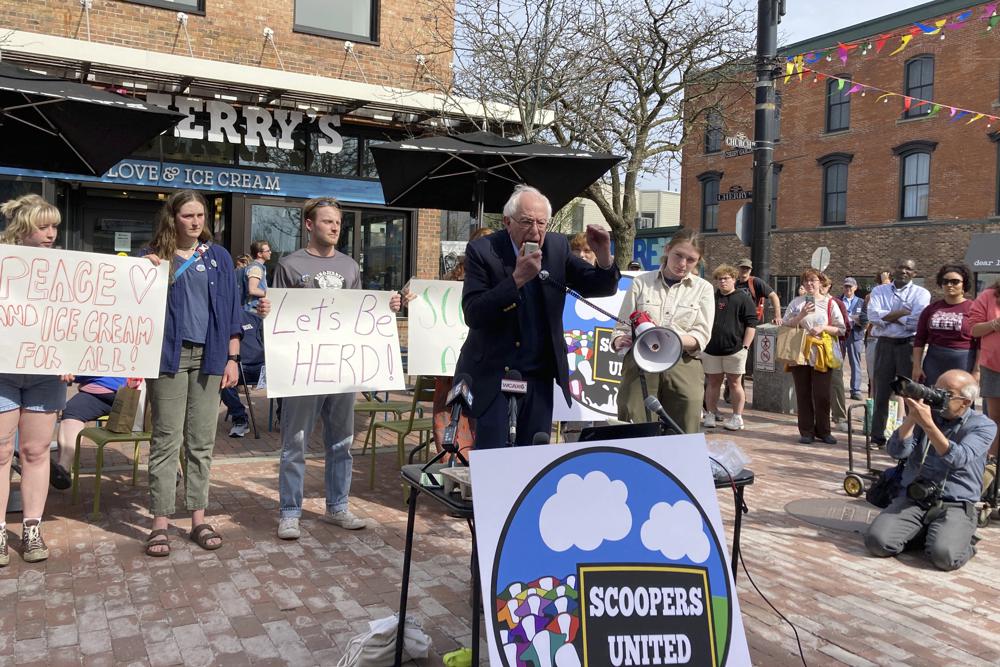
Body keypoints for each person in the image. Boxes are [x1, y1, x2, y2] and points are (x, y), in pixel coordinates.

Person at [273, 197, 405, 539]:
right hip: (302, 370)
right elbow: (278, 317)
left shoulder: (350, 266)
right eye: (327, 221)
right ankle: (290, 512)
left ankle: (337, 507)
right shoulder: (289, 266)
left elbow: (360, 313)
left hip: (342, 369)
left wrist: (386, 307)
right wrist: (264, 311)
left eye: (337, 223)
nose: (334, 228)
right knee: (295, 442)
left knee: (341, 441)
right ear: (309, 224)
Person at [454, 185, 618, 449]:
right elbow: (474, 313)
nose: (535, 231)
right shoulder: (483, 251)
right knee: (494, 455)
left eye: (542, 222)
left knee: (534, 453)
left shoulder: (557, 246)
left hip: (539, 375)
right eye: (527, 222)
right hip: (495, 372)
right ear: (508, 221)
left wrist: (604, 257)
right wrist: (516, 279)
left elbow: (599, 286)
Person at [140, 190, 244, 557]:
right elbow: (132, 304)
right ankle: (159, 522)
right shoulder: (153, 257)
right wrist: (145, 273)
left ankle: (198, 517)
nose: (196, 222)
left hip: (211, 356)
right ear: (173, 218)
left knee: (201, 441)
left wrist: (233, 357)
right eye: (188, 216)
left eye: (201, 215)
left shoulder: (218, 257)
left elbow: (233, 310)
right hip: (168, 356)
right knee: (166, 440)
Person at [865, 370, 995, 571]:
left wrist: (928, 424)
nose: (937, 397)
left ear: (966, 402)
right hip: (915, 497)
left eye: (947, 394)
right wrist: (912, 418)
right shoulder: (928, 415)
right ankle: (928, 533)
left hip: (956, 504)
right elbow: (897, 451)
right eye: (936, 390)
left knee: (944, 558)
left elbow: (958, 458)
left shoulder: (983, 426)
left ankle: (963, 541)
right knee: (877, 543)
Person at [0, 194, 69, 565]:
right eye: (43, 226)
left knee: (36, 452)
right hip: (2, 372)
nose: (51, 233)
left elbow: (79, 319)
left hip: (47, 373)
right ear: (23, 228)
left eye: (54, 226)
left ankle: (31, 529)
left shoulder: (67, 267)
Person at [613, 228, 714, 434]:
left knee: (686, 418)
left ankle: (680, 464)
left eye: (691, 260)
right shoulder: (641, 282)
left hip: (683, 361)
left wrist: (670, 339)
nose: (683, 264)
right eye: (678, 255)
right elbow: (622, 325)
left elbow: (702, 335)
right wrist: (619, 340)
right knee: (633, 417)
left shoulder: (703, 289)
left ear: (699, 261)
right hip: (641, 361)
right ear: (667, 250)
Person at [431, 227, 495, 457]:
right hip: (449, 368)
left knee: (480, 415)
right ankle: (450, 463)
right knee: (450, 412)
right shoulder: (451, 281)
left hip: (485, 364)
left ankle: (474, 464)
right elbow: (428, 304)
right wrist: (412, 299)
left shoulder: (502, 281)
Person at [867, 259, 931, 446]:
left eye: (908, 268)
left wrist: (888, 316)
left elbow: (916, 322)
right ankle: (877, 437)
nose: (903, 271)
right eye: (900, 267)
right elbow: (872, 316)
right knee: (881, 394)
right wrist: (902, 312)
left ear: (914, 273)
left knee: (911, 393)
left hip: (908, 346)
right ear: (893, 270)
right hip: (884, 345)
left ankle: (909, 438)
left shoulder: (922, 293)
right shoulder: (879, 291)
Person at [782, 269, 846, 444]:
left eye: (813, 281)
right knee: (802, 393)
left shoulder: (829, 303)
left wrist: (823, 328)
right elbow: (786, 324)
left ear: (820, 282)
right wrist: (801, 315)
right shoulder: (796, 303)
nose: (809, 284)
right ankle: (806, 431)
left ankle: (824, 430)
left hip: (821, 352)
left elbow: (841, 328)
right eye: (806, 281)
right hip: (800, 351)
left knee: (822, 394)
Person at [221, 239, 272, 438]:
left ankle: (276, 415)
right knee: (224, 378)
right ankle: (240, 417)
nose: (271, 253)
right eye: (268, 250)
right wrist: (272, 293)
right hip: (253, 316)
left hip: (258, 363)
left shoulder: (241, 271)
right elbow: (252, 289)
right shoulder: (256, 269)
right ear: (260, 253)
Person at [702, 264, 757, 431]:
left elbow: (751, 324)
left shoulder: (743, 298)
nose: (722, 282)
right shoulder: (711, 298)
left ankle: (737, 417)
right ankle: (710, 414)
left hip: (735, 349)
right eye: (719, 279)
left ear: (734, 279)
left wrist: (745, 347)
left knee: (735, 383)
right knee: (713, 383)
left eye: (726, 278)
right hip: (712, 349)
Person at [51, 375, 128, 489]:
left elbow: (85, 370)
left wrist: (73, 374)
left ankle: (63, 467)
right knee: (72, 411)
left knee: (72, 412)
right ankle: (63, 468)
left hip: (123, 392)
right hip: (101, 393)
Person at [913, 264, 977, 387]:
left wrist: (976, 370)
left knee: (959, 398)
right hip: (934, 359)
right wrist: (916, 366)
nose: (949, 285)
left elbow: (980, 342)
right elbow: (920, 339)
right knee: (932, 398)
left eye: (955, 282)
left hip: (963, 359)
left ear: (964, 284)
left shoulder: (973, 308)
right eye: (945, 281)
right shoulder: (931, 309)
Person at [966, 279, 1000, 457]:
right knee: (994, 419)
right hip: (995, 366)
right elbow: (973, 329)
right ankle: (991, 467)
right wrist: (995, 324)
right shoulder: (988, 296)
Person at [821, 275, 852, 431]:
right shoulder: (807, 301)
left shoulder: (836, 303)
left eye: (824, 285)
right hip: (811, 349)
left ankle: (839, 417)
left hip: (832, 348)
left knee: (836, 383)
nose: (821, 288)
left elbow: (845, 328)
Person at [861, 270, 892, 396]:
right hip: (873, 338)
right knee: (873, 378)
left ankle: (892, 414)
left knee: (890, 377)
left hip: (890, 338)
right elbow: (865, 316)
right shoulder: (871, 296)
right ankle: (872, 412)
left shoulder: (896, 295)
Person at [735, 258, 782, 325]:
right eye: (742, 267)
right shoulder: (734, 284)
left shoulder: (755, 282)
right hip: (738, 322)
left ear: (750, 270)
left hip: (753, 321)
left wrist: (778, 316)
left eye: (747, 268)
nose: (745, 270)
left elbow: (774, 296)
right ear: (738, 269)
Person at [841, 277, 864, 400]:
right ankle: (837, 387)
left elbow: (866, 319)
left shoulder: (861, 302)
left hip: (855, 335)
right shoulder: (837, 300)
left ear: (855, 288)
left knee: (855, 363)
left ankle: (855, 390)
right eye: (846, 286)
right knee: (837, 362)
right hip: (840, 335)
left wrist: (859, 320)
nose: (848, 289)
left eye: (850, 286)